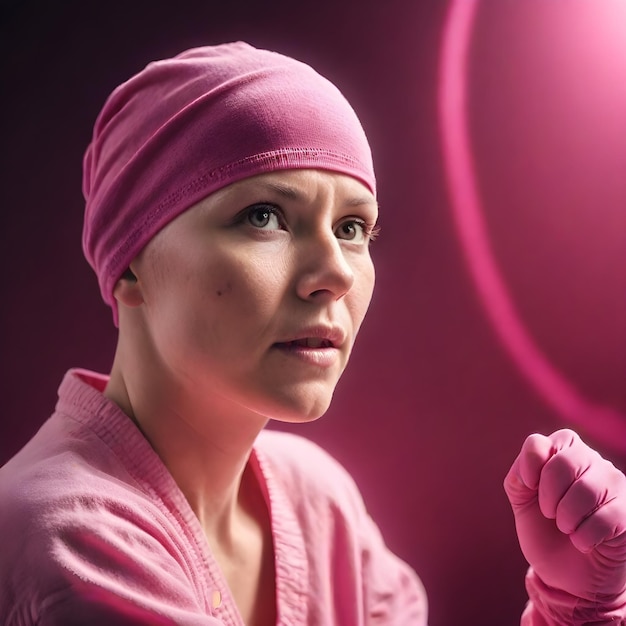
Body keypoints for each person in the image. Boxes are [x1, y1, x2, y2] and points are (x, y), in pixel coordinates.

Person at [0, 41, 624, 626]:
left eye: (353, 227)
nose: (334, 274)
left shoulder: (317, 501)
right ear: (132, 261)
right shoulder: (68, 542)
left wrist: (574, 604)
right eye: (264, 216)